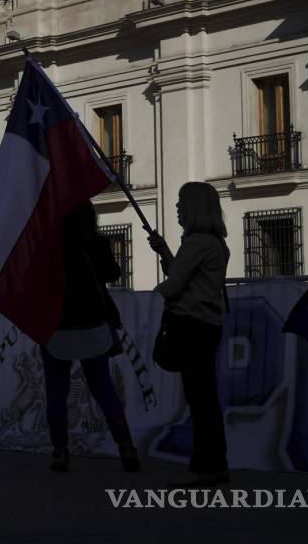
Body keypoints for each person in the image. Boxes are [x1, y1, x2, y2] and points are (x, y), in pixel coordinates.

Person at [40, 201, 137, 473]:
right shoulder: (98, 243)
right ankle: (127, 449)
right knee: (104, 389)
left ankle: (60, 453)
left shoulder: (49, 247)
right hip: (93, 324)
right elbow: (113, 274)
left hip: (57, 327)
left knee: (56, 392)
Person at [148, 181, 230, 488]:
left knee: (200, 400)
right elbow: (185, 273)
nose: (178, 207)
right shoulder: (215, 242)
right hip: (208, 326)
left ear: (195, 207)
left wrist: (154, 295)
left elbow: (174, 284)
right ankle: (216, 463)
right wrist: (165, 251)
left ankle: (202, 466)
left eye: (183, 202)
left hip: (192, 326)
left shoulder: (197, 242)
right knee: (205, 397)